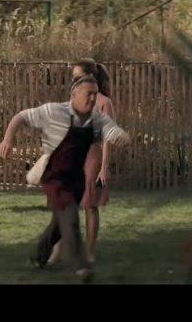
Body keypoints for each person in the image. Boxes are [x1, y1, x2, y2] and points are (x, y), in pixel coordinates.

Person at [0, 75, 130, 283]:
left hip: (76, 179)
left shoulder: (97, 119)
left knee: (59, 224)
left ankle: (38, 255)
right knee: (70, 215)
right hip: (54, 178)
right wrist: (7, 139)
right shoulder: (54, 111)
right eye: (89, 94)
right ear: (74, 94)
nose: (93, 98)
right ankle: (82, 267)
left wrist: (122, 136)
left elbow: (113, 130)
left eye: (95, 94)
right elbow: (21, 117)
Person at [48, 58, 115, 265]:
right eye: (73, 77)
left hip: (92, 157)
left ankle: (89, 252)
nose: (74, 79)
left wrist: (104, 168)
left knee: (89, 206)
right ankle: (56, 253)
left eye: (77, 76)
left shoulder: (104, 103)